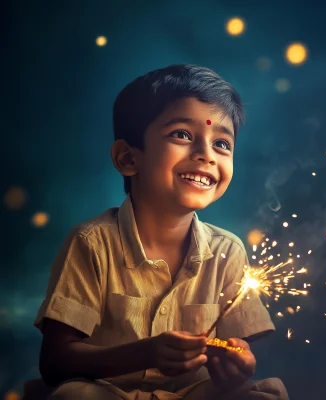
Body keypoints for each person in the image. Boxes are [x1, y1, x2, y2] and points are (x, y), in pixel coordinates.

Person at [32, 64, 289, 400]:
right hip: (109, 393)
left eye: (222, 144)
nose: (205, 155)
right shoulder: (91, 244)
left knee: (265, 396)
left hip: (191, 394)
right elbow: (54, 363)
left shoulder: (228, 251)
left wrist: (236, 364)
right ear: (128, 158)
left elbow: (234, 353)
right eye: (182, 135)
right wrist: (145, 353)